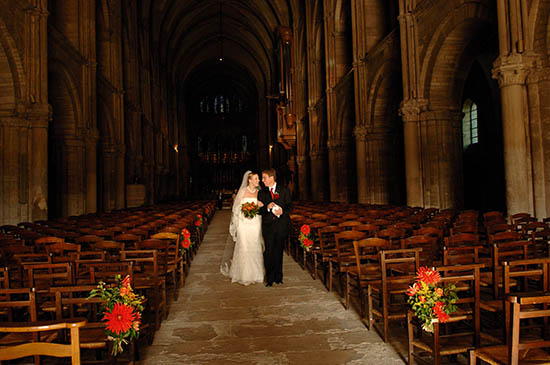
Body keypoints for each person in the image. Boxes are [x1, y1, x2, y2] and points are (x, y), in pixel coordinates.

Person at [220, 171, 265, 285]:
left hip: (255, 223)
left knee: (255, 245)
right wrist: (244, 212)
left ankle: (256, 273)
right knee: (244, 246)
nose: (258, 181)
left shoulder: (259, 192)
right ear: (249, 180)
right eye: (256, 179)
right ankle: (244, 274)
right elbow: (236, 209)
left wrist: (260, 205)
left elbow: (263, 208)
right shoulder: (243, 192)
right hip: (244, 223)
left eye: (258, 179)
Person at [258, 168, 292, 287]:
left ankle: (279, 277)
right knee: (269, 252)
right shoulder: (262, 193)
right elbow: (259, 210)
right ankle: (270, 278)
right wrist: (267, 207)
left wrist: (282, 211)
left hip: (281, 226)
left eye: (264, 178)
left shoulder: (284, 190)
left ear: (271, 178)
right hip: (268, 227)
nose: (262, 180)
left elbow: (289, 207)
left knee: (278, 252)